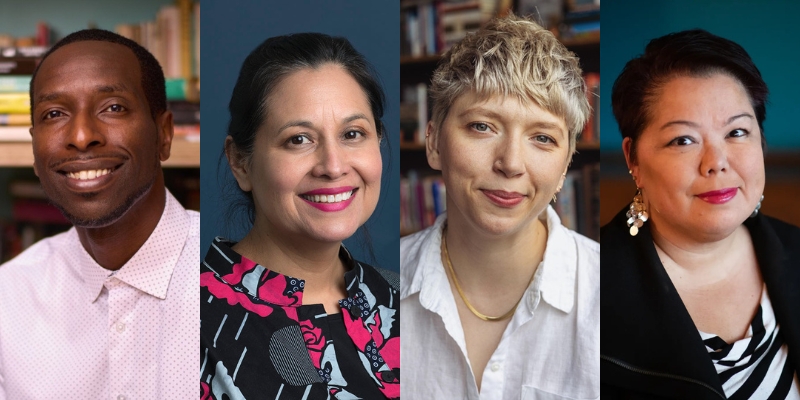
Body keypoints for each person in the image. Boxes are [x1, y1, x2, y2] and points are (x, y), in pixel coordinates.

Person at [400, 14, 600, 399]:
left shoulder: (610, 296)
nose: (510, 163)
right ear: (433, 142)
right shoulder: (375, 292)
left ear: (565, 167)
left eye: (542, 138)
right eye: (482, 126)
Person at [601, 29, 800, 399]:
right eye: (683, 140)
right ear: (633, 160)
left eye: (737, 132)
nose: (717, 163)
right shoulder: (590, 288)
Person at [0, 29, 199, 399]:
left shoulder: (251, 281)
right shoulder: (8, 298)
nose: (80, 135)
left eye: (113, 108)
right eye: (54, 113)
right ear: (34, 147)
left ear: (164, 135)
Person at [199, 33, 399, 400]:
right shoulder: (192, 325)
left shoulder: (400, 297)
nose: (334, 167)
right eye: (299, 140)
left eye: (353, 134)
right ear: (240, 162)